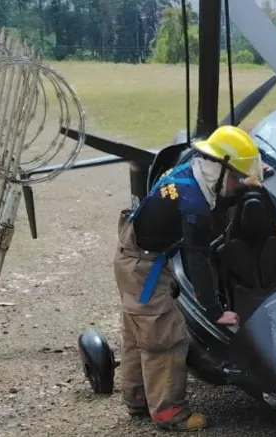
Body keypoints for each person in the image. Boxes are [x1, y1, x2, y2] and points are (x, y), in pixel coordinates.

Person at [113, 125, 264, 432]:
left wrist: (248, 182)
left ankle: (138, 396)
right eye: (236, 176)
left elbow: (219, 197)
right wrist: (214, 310)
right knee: (165, 336)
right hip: (144, 265)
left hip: (134, 251)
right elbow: (199, 261)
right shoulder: (195, 208)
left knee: (138, 330)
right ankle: (170, 412)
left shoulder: (193, 171)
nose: (237, 183)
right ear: (220, 169)